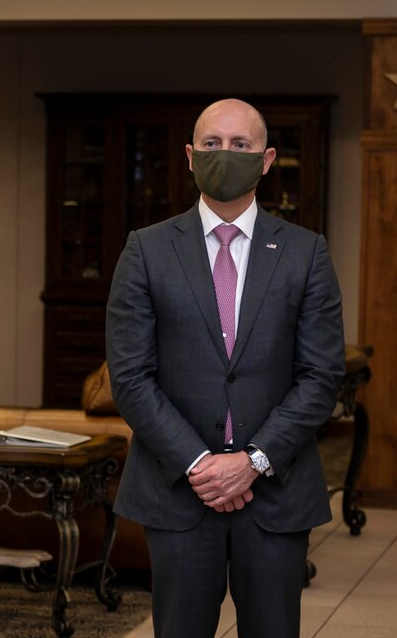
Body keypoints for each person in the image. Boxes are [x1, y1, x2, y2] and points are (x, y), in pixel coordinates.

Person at [105, 98, 345, 638]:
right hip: (178, 491)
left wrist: (253, 461)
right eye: (212, 144)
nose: (225, 154)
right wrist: (200, 463)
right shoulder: (145, 251)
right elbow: (130, 376)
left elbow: (321, 375)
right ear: (190, 156)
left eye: (241, 145)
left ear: (266, 159)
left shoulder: (306, 253)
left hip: (276, 493)